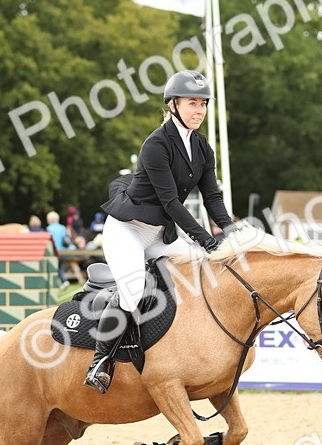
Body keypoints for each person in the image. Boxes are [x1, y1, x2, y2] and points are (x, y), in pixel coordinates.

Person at [84, 70, 237, 394]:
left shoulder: (202, 147)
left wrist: (230, 231)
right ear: (172, 104)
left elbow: (212, 197)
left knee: (205, 270)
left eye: (203, 104)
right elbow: (170, 202)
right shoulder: (156, 144)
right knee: (135, 289)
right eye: (192, 103)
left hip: (159, 236)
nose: (199, 110)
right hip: (128, 230)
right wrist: (205, 238)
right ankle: (100, 360)